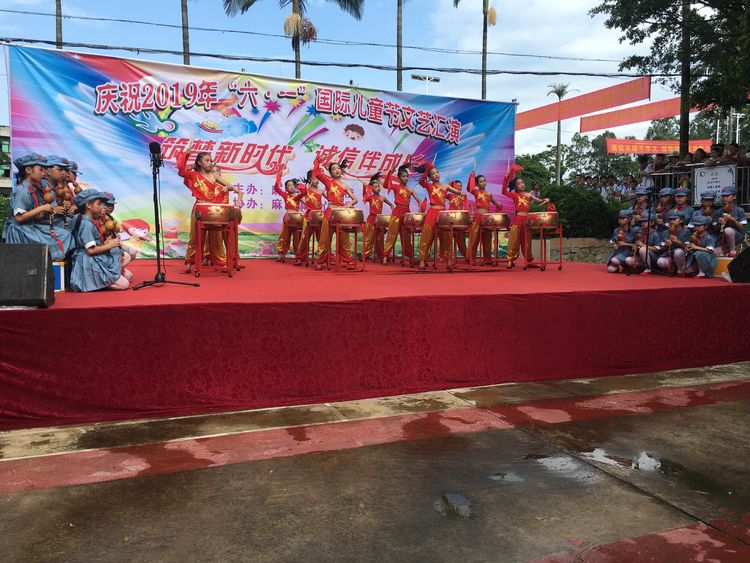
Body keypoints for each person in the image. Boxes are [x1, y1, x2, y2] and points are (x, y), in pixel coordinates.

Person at [176, 141, 242, 273]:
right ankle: (190, 263)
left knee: (215, 237)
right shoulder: (194, 175)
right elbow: (182, 171)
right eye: (207, 160)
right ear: (199, 162)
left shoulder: (214, 175)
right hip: (199, 209)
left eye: (211, 160)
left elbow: (230, 186)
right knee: (196, 237)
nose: (210, 163)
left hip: (213, 210)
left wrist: (229, 189)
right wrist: (186, 155)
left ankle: (219, 261)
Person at [3, 153, 73, 261]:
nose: (43, 173)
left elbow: (35, 215)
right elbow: (19, 217)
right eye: (40, 169)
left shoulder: (32, 189)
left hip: (30, 227)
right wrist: (42, 208)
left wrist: (47, 212)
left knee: (64, 234)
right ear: (28, 170)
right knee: (63, 235)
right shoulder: (22, 190)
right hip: (21, 231)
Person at [70, 190, 130, 291]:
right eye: (98, 204)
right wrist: (110, 245)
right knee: (124, 284)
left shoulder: (90, 221)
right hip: (88, 261)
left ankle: (102, 281)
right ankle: (96, 282)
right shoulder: (86, 224)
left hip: (94, 258)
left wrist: (106, 242)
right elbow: (90, 250)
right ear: (88, 205)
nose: (101, 207)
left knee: (128, 276)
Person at [314, 156, 358, 270]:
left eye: (338, 168)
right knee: (325, 237)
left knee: (344, 238)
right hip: (330, 212)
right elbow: (317, 173)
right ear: (330, 173)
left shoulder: (344, 185)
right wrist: (318, 161)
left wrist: (350, 203)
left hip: (341, 213)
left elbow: (355, 199)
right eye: (333, 169)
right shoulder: (328, 182)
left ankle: (347, 259)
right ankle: (321, 260)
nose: (337, 170)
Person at [416, 162, 463, 271]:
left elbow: (458, 192)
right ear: (430, 177)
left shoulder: (445, 186)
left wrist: (460, 193)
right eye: (433, 173)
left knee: (446, 237)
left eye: (437, 172)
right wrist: (427, 169)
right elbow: (421, 181)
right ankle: (422, 260)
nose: (436, 174)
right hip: (432, 212)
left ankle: (448, 260)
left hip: (442, 214)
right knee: (427, 236)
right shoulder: (429, 185)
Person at [502, 164, 549, 267]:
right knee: (514, 240)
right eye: (518, 184)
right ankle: (510, 259)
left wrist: (544, 200)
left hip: (527, 220)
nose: (522, 185)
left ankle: (528, 260)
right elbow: (504, 191)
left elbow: (538, 201)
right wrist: (506, 178)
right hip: (518, 219)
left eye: (522, 182)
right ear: (515, 187)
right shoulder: (515, 195)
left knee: (527, 240)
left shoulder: (529, 194)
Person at [381, 164, 423, 264]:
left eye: (407, 176)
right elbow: (385, 185)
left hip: (407, 213)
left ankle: (410, 256)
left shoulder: (410, 190)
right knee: (392, 234)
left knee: (407, 236)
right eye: (403, 176)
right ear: (399, 178)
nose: (406, 178)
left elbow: (419, 201)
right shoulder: (396, 186)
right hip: (397, 212)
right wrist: (390, 172)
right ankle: (385, 255)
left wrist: (420, 208)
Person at [466, 171, 504, 265]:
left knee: (487, 239)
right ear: (477, 184)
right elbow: (469, 188)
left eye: (484, 181)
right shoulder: (476, 192)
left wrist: (498, 204)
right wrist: (471, 177)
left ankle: (487, 259)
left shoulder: (489, 194)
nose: (483, 183)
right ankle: (471, 258)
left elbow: (495, 203)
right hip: (478, 217)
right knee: (474, 239)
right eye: (481, 181)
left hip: (487, 218)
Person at [293, 170, 325, 266]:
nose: (317, 181)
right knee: (304, 238)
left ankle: (323, 258)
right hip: (309, 217)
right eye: (314, 178)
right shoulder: (306, 190)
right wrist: (302, 193)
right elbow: (295, 199)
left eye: (318, 179)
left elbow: (331, 199)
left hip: (319, 217)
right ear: (309, 179)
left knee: (321, 238)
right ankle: (300, 258)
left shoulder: (321, 191)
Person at [361, 173, 394, 260]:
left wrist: (392, 206)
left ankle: (381, 255)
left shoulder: (382, 197)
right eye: (375, 187)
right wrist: (364, 188)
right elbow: (364, 197)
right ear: (372, 189)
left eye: (378, 186)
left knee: (379, 238)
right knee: (369, 238)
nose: (378, 188)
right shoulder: (370, 197)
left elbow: (391, 204)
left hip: (379, 219)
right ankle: (365, 255)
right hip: (371, 218)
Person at [273, 172, 302, 263]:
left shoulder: (299, 196)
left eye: (293, 185)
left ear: (295, 186)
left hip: (297, 219)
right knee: (284, 237)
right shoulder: (286, 195)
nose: (291, 187)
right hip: (288, 218)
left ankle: (298, 256)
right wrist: (278, 179)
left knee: (297, 238)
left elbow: (308, 203)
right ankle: (281, 254)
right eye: (289, 185)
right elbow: (276, 188)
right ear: (286, 188)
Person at [655, 209, 692, 274]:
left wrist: (677, 241)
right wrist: (666, 245)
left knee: (678, 252)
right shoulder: (666, 232)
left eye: (674, 219)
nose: (671, 221)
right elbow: (661, 250)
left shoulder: (686, 231)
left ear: (681, 220)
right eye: (670, 219)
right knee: (660, 262)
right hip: (669, 255)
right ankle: (673, 267)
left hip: (683, 256)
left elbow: (688, 247)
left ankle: (680, 270)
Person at [715, 185, 747, 257]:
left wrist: (732, 219)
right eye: (723, 196)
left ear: (734, 196)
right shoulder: (719, 211)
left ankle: (732, 251)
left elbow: (742, 228)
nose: (724, 198)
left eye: (727, 196)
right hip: (722, 239)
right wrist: (719, 223)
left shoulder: (739, 210)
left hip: (737, 237)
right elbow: (715, 229)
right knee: (715, 252)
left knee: (728, 230)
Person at [607, 209, 636, 273]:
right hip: (619, 252)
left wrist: (625, 244)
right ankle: (623, 267)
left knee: (615, 260)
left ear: (629, 219)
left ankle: (625, 266)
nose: (620, 220)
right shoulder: (616, 230)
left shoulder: (634, 231)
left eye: (623, 218)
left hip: (629, 253)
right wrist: (614, 245)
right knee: (610, 269)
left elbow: (637, 244)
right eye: (619, 218)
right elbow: (613, 241)